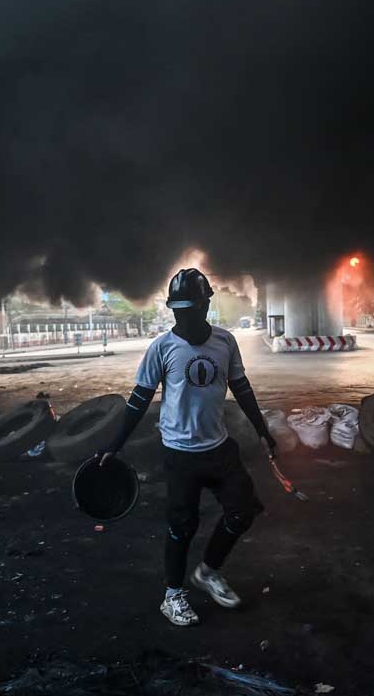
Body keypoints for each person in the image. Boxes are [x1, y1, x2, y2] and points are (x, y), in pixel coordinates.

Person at [96, 268, 277, 626]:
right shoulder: (161, 348)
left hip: (220, 448)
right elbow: (138, 400)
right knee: (182, 525)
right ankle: (172, 595)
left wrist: (262, 430)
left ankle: (208, 572)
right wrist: (114, 444)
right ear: (172, 309)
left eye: (191, 308)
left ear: (206, 305)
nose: (184, 316)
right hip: (180, 452)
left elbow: (242, 389)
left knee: (242, 511)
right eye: (178, 310)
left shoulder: (225, 342)